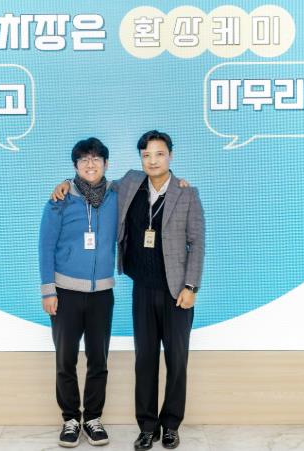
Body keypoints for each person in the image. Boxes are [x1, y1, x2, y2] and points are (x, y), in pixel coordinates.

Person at [52, 131, 205, 450]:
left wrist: (191, 286)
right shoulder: (131, 183)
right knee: (145, 361)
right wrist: (65, 183)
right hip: (142, 289)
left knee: (177, 361)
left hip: (177, 292)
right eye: (147, 155)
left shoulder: (187, 193)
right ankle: (147, 427)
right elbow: (94, 183)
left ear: (170, 156)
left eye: (159, 154)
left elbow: (197, 243)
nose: (153, 160)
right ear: (141, 159)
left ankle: (171, 425)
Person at [39, 137, 118, 448]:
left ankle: (93, 418)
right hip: (65, 292)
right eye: (84, 159)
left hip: (102, 294)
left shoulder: (117, 195)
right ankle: (71, 419)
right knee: (66, 359)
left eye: (96, 158)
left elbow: (149, 179)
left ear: (106, 164)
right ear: (75, 165)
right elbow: (45, 246)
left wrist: (179, 182)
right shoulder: (59, 200)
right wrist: (48, 290)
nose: (90, 163)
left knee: (99, 359)